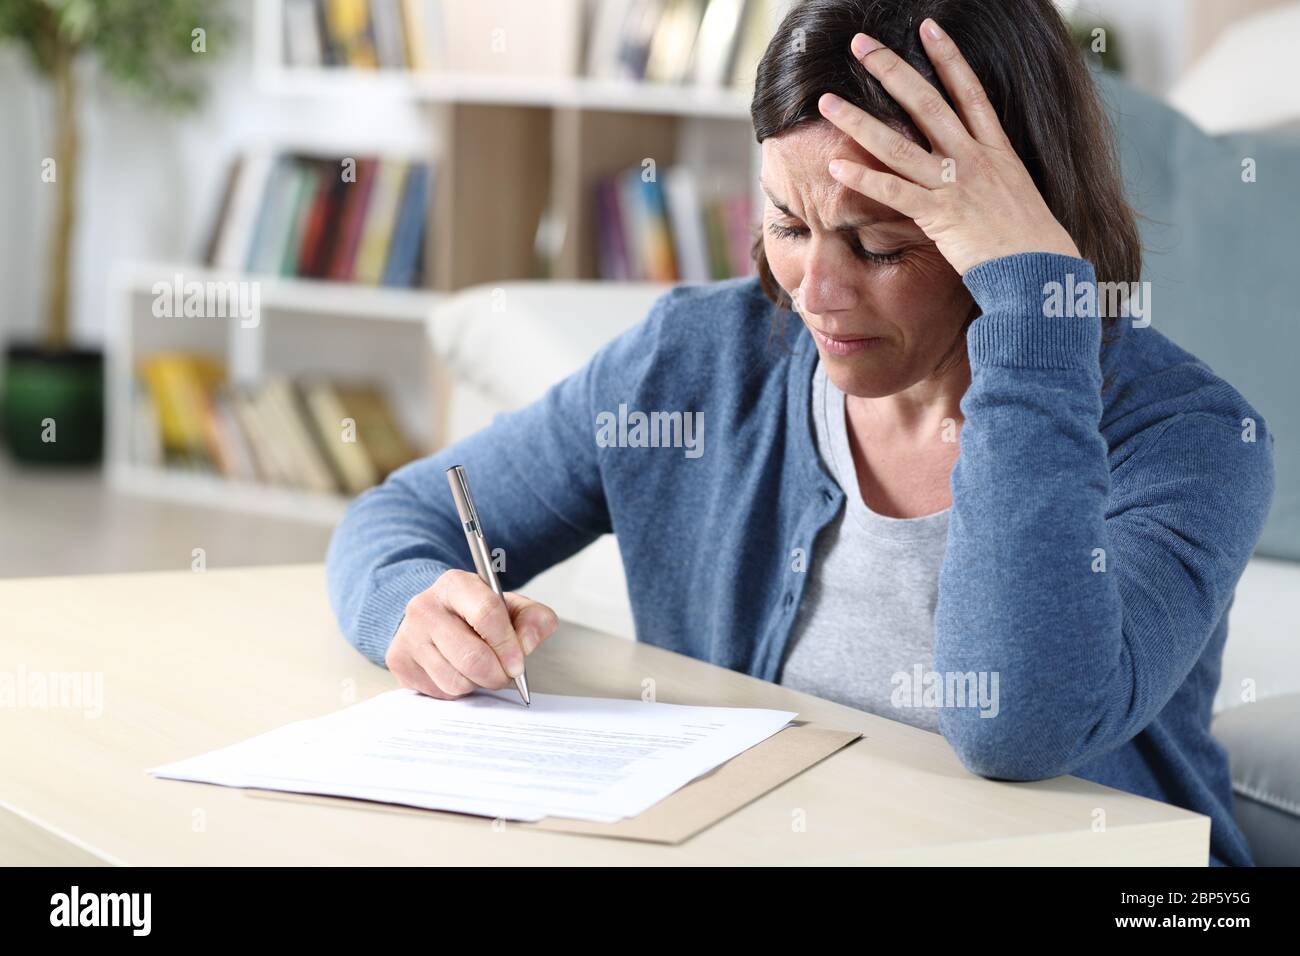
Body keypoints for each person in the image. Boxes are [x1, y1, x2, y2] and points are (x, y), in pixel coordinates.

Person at [326, 0, 1274, 866]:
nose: (814, 295)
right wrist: (411, 608)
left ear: (1014, 221)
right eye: (787, 222)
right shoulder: (694, 364)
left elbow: (1019, 726)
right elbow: (404, 516)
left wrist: (1034, 305)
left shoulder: (1192, 440)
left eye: (879, 245)